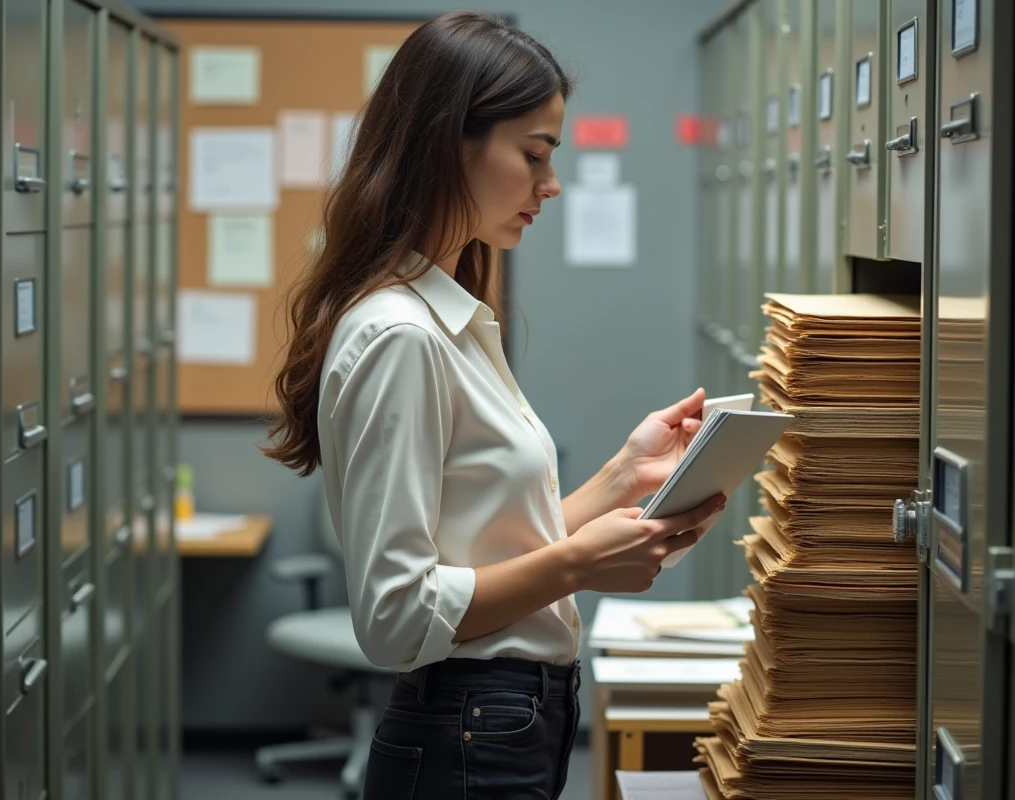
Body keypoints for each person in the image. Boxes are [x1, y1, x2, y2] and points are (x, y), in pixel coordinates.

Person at [263, 11, 724, 799]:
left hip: (506, 721)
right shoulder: (402, 334)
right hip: (467, 730)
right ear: (451, 141)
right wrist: (581, 563)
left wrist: (623, 475)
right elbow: (396, 617)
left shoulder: (453, 316)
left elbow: (486, 546)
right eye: (535, 154)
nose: (551, 184)